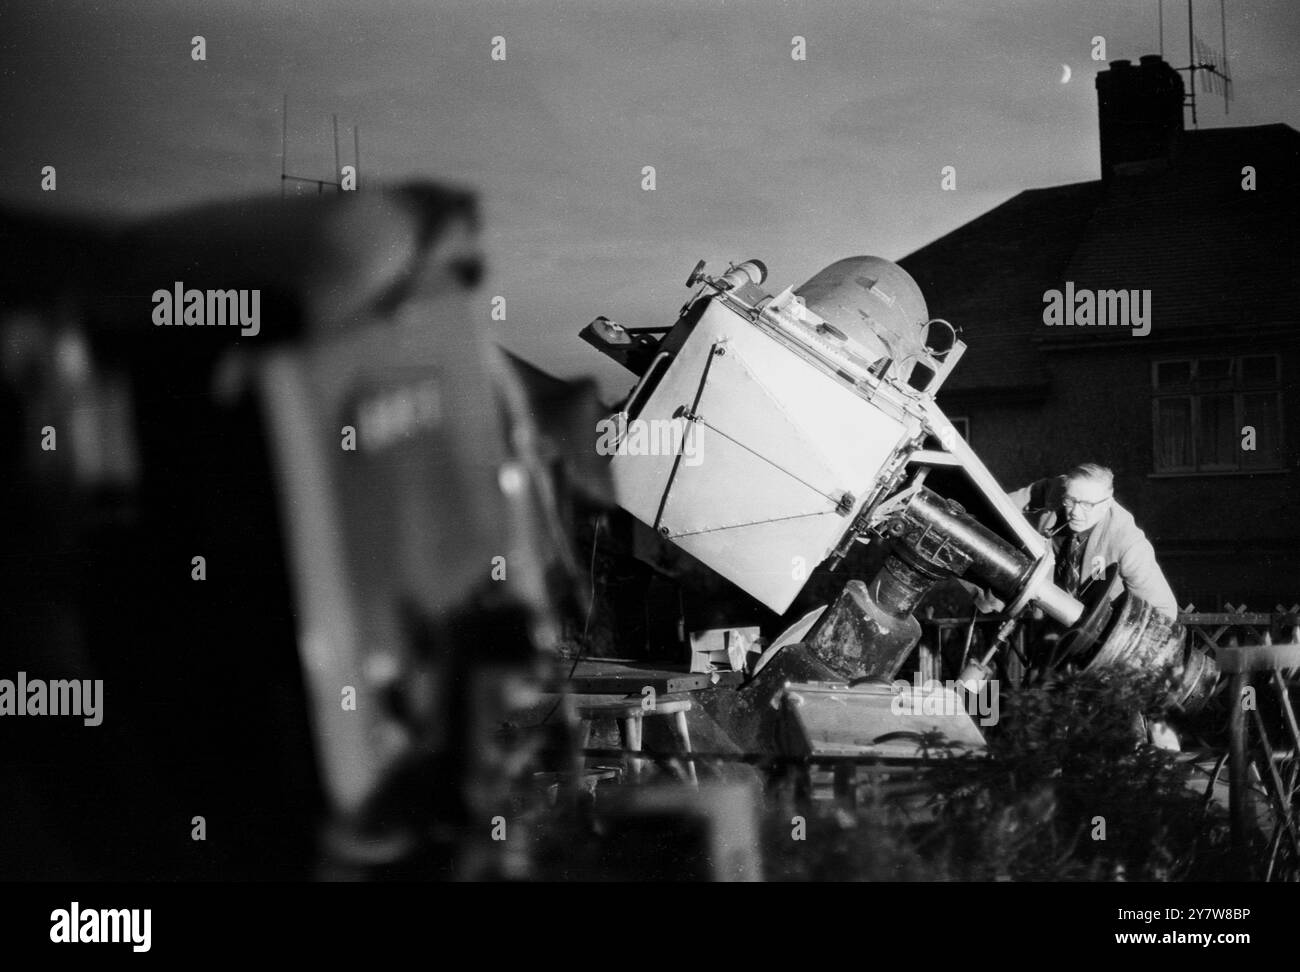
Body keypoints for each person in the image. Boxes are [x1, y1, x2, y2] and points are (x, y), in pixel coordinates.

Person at [1003, 463, 1178, 618]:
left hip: (1094, 629)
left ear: (1107, 503)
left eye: (1087, 505)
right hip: (1042, 615)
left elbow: (1163, 610)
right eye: (1070, 501)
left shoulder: (1128, 542)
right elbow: (1000, 504)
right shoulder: (1059, 488)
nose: (1075, 513)